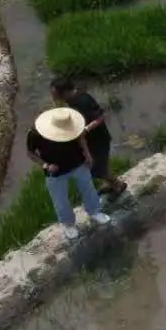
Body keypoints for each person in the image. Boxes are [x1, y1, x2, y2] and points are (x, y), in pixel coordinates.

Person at [27, 106, 107, 238]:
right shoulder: (35, 133)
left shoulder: (71, 125)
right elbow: (30, 153)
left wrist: (88, 155)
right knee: (60, 200)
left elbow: (80, 139)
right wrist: (46, 165)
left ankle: (95, 212)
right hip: (55, 171)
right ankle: (68, 224)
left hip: (77, 163)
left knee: (89, 189)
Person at [51, 76, 125, 198]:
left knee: (97, 168)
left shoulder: (82, 101)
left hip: (98, 139)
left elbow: (100, 117)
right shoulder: (73, 99)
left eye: (55, 94)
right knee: (95, 167)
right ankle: (110, 184)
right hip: (89, 141)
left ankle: (118, 185)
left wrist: (85, 129)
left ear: (64, 92)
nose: (54, 97)